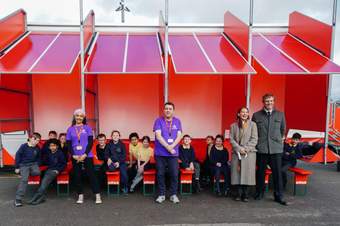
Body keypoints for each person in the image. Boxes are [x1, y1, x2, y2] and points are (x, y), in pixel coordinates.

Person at [252, 93, 287, 205]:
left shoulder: (280, 115)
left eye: (271, 101)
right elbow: (254, 131)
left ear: (274, 102)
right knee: (260, 173)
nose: (269, 103)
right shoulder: (256, 115)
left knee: (277, 173)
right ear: (263, 102)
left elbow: (283, 130)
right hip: (262, 149)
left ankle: (278, 196)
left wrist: (277, 140)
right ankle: (259, 193)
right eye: (267, 101)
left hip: (276, 149)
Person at [66, 109, 102, 204]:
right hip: (75, 156)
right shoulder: (70, 129)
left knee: (91, 175)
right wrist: (73, 155)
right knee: (77, 176)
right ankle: (80, 195)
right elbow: (68, 144)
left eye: (81, 116)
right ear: (74, 117)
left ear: (83, 118)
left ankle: (97, 195)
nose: (79, 117)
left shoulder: (87, 128)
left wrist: (85, 154)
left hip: (87, 155)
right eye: (77, 115)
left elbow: (90, 142)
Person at [153, 102, 182, 204]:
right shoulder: (158, 121)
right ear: (163, 110)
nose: (168, 110)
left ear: (173, 110)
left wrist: (172, 147)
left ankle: (173, 194)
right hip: (160, 153)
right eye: (166, 108)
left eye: (170, 109)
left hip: (173, 154)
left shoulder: (177, 121)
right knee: (160, 174)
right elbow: (158, 136)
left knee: (174, 174)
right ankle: (161, 194)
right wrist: (168, 147)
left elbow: (179, 136)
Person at [230, 107, 258, 202]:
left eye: (246, 112)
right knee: (237, 174)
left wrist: (245, 149)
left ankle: (245, 195)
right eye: (242, 112)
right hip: (236, 153)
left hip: (249, 153)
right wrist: (239, 148)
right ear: (238, 114)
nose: (244, 114)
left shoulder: (253, 125)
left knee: (247, 174)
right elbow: (231, 139)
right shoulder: (233, 126)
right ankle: (238, 194)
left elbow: (254, 139)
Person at [28, 139, 66, 205]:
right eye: (50, 146)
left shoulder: (60, 153)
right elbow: (43, 162)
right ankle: (41, 197)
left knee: (44, 183)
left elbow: (63, 164)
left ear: (57, 146)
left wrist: (58, 170)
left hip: (55, 171)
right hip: (49, 170)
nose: (52, 147)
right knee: (44, 183)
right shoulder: (49, 153)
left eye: (54, 146)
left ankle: (36, 197)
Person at [14, 133, 42, 207]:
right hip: (24, 165)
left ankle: (25, 173)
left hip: (33, 164)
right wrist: (17, 167)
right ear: (31, 138)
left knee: (38, 172)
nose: (37, 142)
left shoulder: (37, 147)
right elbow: (17, 156)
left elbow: (39, 157)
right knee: (24, 180)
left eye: (38, 141)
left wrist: (37, 164)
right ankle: (18, 199)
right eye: (36, 140)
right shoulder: (23, 146)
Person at [105, 130, 129, 194]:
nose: (115, 136)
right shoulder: (108, 144)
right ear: (111, 136)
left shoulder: (122, 145)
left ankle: (124, 187)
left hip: (121, 162)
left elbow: (124, 156)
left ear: (119, 136)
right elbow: (106, 154)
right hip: (112, 162)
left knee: (124, 175)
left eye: (117, 135)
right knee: (111, 170)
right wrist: (108, 158)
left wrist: (119, 162)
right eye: (114, 135)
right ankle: (114, 188)